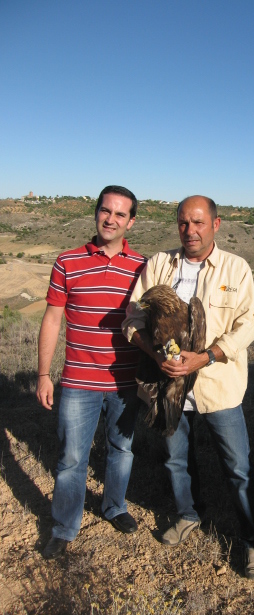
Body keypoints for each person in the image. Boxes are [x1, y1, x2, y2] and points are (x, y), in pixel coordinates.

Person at [122, 195, 254, 579]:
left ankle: (253, 541)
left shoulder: (236, 269)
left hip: (218, 386)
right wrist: (155, 356)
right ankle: (188, 514)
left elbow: (246, 326)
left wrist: (205, 358)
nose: (191, 230)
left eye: (199, 222)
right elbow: (132, 318)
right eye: (184, 222)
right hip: (167, 386)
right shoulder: (158, 265)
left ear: (215, 225)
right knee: (176, 459)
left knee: (239, 467)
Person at [37, 185, 147, 559]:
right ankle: (65, 526)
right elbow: (52, 319)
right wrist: (43, 375)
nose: (110, 219)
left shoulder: (144, 268)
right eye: (106, 211)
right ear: (96, 212)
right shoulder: (67, 262)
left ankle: (114, 506)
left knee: (122, 449)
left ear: (131, 221)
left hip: (126, 382)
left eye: (120, 214)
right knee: (71, 458)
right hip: (79, 381)